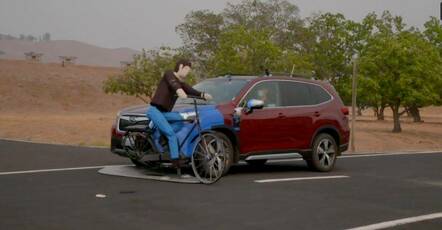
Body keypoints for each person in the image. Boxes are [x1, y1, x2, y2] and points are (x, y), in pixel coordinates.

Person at [146, 59, 212, 168]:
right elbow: (173, 84)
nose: (187, 72)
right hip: (155, 111)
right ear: (180, 67)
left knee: (181, 119)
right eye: (186, 69)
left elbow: (191, 91)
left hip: (165, 113)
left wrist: (203, 95)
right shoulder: (169, 74)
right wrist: (179, 91)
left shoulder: (181, 83)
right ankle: (175, 160)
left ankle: (161, 136)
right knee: (171, 134)